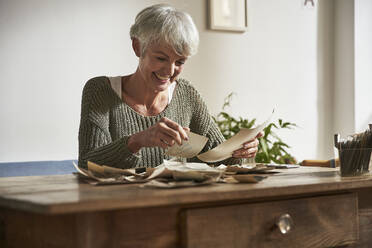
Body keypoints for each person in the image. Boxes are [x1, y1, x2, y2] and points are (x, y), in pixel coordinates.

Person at [78, 4, 261, 169]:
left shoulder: (186, 95)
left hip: (177, 204)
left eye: (180, 61)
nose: (170, 70)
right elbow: (87, 164)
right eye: (161, 58)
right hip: (119, 204)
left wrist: (240, 151)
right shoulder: (100, 90)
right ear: (137, 47)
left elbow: (219, 160)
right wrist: (137, 141)